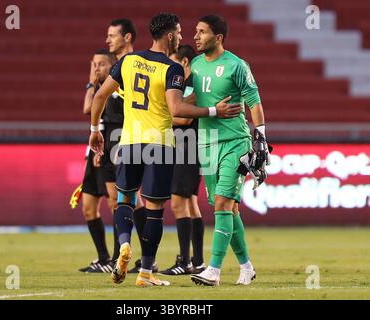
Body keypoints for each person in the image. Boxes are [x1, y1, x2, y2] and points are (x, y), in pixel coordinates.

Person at [89, 12, 240, 287]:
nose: (183, 37)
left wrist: (95, 131)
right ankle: (146, 273)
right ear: (169, 35)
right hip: (159, 144)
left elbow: (99, 95)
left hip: (130, 139)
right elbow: (177, 109)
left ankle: (124, 244)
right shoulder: (171, 69)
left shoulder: (128, 61)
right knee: (155, 209)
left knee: (125, 200)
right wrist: (213, 109)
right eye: (180, 33)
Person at [189, 15, 269, 287]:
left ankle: (213, 270)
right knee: (229, 208)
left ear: (218, 37)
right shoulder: (196, 65)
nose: (196, 37)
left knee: (223, 202)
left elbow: (254, 103)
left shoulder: (236, 65)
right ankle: (246, 267)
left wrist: (260, 138)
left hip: (235, 142)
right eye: (195, 32)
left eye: (202, 32)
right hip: (206, 142)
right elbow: (189, 100)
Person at [104, 18, 157, 273]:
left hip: (129, 140)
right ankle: (129, 256)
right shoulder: (119, 67)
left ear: (128, 38)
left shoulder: (132, 67)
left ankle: (139, 257)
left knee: (126, 199)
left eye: (113, 35)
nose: (108, 39)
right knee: (125, 199)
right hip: (122, 140)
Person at [159, 45, 205, 276]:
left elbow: (183, 119)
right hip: (186, 146)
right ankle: (197, 261)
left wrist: (162, 115)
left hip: (188, 147)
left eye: (173, 61)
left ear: (184, 62)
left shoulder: (190, 85)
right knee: (190, 202)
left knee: (178, 202)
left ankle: (184, 261)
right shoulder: (187, 86)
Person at [78, 49, 117, 273]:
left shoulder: (115, 91)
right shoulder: (95, 89)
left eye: (101, 64)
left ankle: (115, 257)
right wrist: (92, 84)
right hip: (93, 152)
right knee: (88, 208)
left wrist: (105, 151)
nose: (96, 68)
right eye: (93, 64)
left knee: (115, 204)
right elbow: (86, 109)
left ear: (111, 67)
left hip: (108, 151)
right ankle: (103, 257)